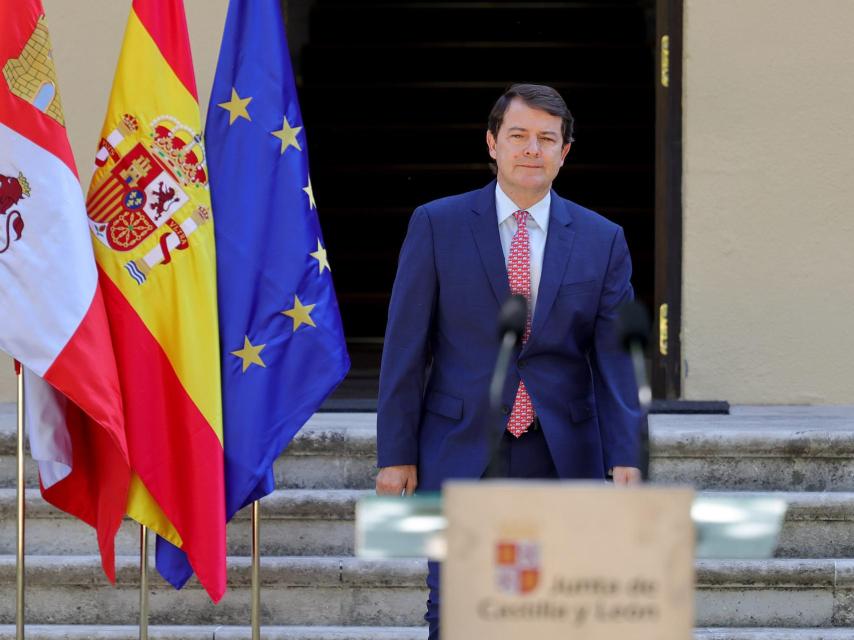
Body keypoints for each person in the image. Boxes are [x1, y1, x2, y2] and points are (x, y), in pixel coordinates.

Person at [375, 83, 642, 638]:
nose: (531, 149)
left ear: (565, 151)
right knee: (455, 608)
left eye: (547, 138)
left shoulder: (602, 238)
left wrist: (625, 453)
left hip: (562, 450)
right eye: (518, 135)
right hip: (460, 444)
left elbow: (616, 357)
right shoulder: (437, 224)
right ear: (492, 143)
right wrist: (395, 453)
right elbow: (406, 347)